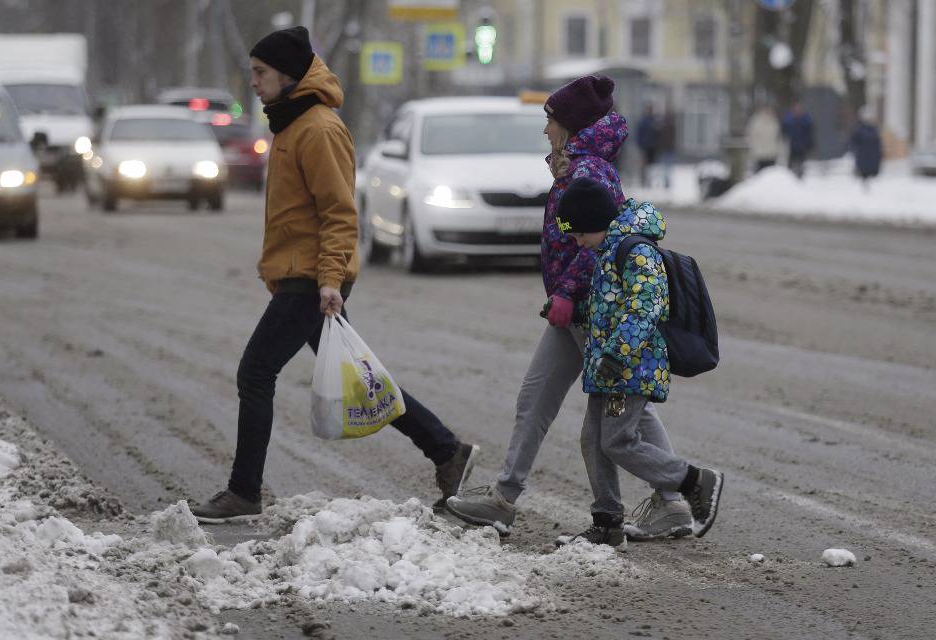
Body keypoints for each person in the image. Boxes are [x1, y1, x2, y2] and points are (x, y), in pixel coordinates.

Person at [190, 26, 476, 524]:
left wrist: (328, 279)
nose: (252, 82)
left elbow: (340, 213)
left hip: (314, 273)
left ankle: (243, 492)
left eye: (260, 73)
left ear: (288, 74)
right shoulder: (291, 123)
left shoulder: (318, 128)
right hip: (304, 271)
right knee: (360, 376)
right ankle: (445, 449)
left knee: (256, 371)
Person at [445, 74, 628, 536]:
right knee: (534, 399)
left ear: (569, 125)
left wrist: (568, 291)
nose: (545, 130)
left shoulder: (587, 173)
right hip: (568, 310)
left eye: (550, 121)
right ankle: (503, 499)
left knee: (623, 415)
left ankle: (681, 490)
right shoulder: (578, 167)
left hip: (590, 311)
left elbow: (603, 242)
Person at [552, 177, 725, 547]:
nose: (577, 241)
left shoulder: (635, 252)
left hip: (631, 368)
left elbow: (646, 307)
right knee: (592, 440)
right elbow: (612, 306)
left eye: (580, 233)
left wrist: (617, 355)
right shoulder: (608, 252)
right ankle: (607, 521)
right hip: (610, 369)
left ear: (596, 220)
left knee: (618, 441)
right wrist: (579, 310)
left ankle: (694, 480)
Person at [848, 106, 882, 189]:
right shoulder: (859, 129)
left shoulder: (874, 129)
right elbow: (853, 141)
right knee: (864, 172)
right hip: (863, 156)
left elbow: (878, 143)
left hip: (872, 156)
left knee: (872, 172)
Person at [781, 101, 814, 178]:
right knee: (790, 165)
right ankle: (790, 179)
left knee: (801, 164)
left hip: (802, 146)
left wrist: (809, 144)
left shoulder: (806, 120)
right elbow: (784, 132)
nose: (797, 111)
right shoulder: (788, 120)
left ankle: (800, 177)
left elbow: (809, 134)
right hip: (791, 146)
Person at [746, 105, 782, 172]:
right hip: (759, 154)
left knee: (770, 175)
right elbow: (750, 136)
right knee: (759, 175)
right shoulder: (755, 122)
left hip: (771, 154)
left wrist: (778, 149)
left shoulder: (774, 122)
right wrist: (753, 147)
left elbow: (777, 137)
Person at [635, 105, 659, 186]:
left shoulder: (653, 121)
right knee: (644, 164)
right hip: (645, 146)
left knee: (649, 165)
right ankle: (644, 180)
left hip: (651, 146)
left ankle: (648, 180)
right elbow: (639, 133)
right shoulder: (644, 121)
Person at [656, 109, 677, 190]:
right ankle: (666, 182)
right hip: (668, 149)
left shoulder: (663, 126)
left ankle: (666, 182)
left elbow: (660, 138)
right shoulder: (672, 127)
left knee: (665, 167)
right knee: (667, 167)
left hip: (665, 149)